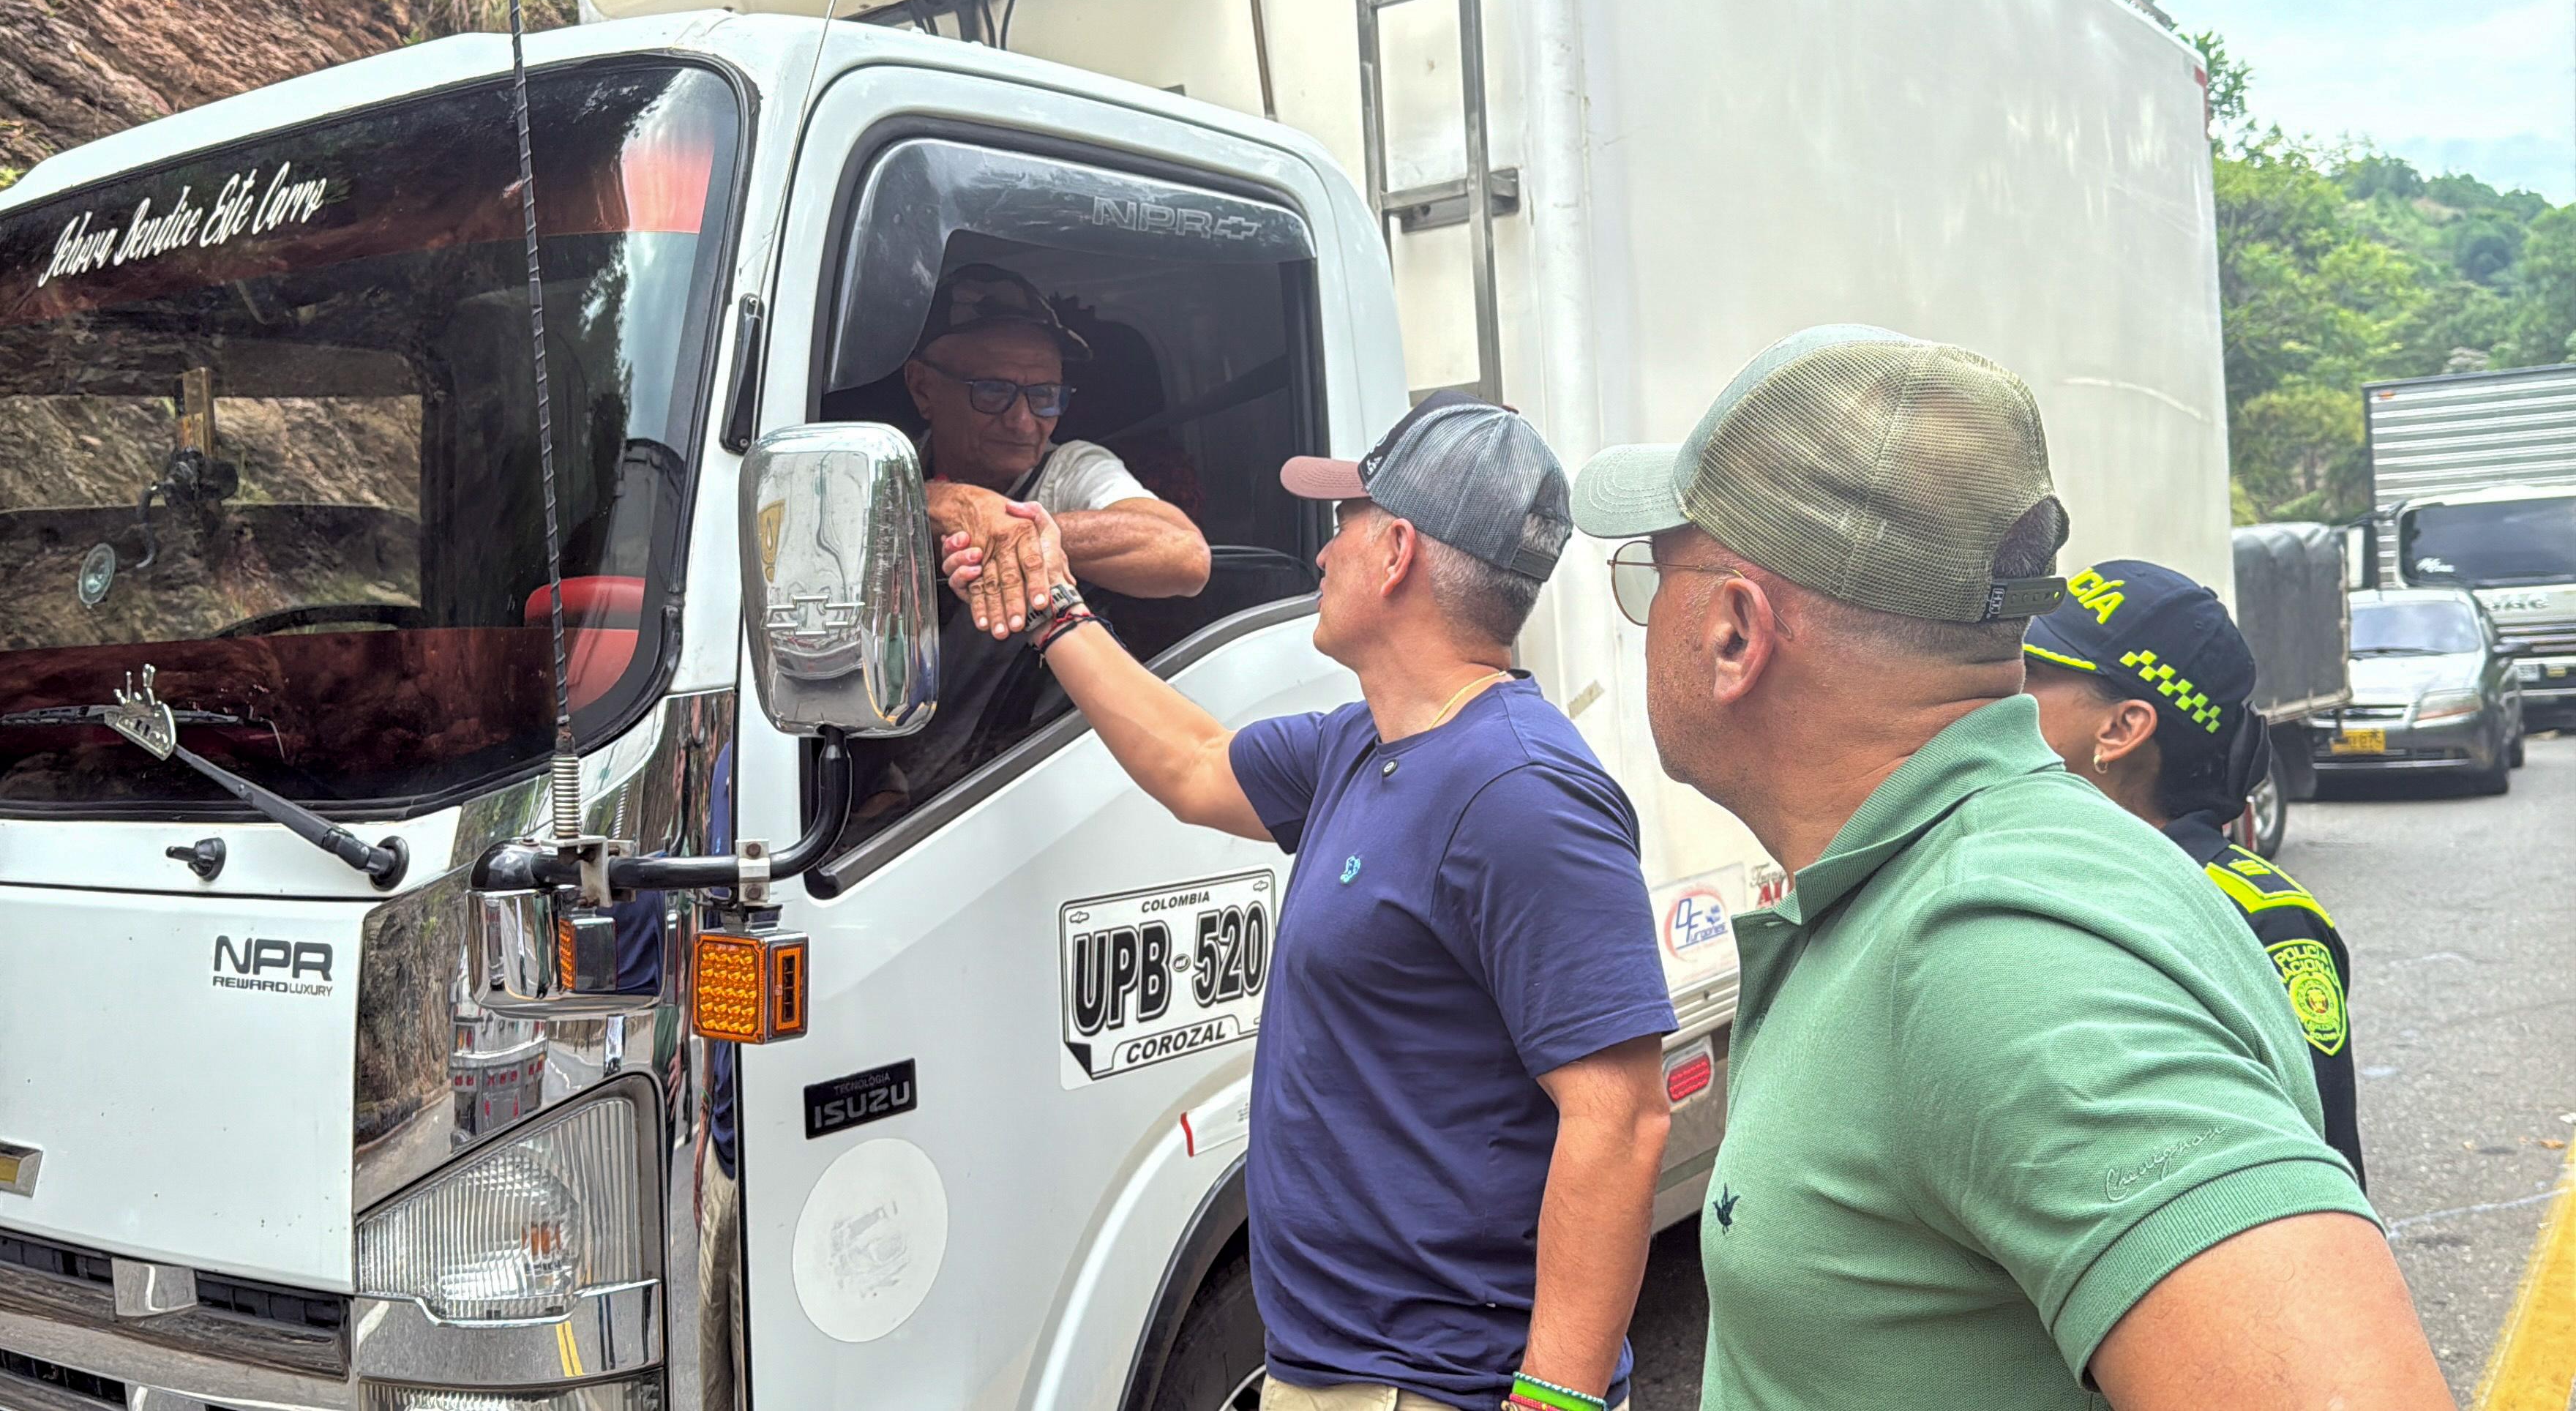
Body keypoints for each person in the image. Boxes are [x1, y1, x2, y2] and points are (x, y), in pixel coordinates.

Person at [1568, 325, 2448, 1411]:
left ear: (1737, 633)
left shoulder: (2000, 948)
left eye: (1659, 576)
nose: (1646, 621)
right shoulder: (1930, 888)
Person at [944, 393, 1677, 1411]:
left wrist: (1553, 1402)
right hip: (1335, 1369)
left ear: (1398, 554)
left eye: (1347, 523)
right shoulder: (1359, 749)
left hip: (1436, 1389)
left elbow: (1622, 1119)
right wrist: (1055, 605)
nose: (1324, 553)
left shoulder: (1521, 794)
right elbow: (1192, 761)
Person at [2023, 559, 2365, 1188]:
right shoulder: (2016, 867)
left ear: (2123, 727)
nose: (2002, 693)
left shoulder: (2264, 922)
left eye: (2034, 675)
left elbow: (2315, 1167)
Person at [872, 263, 1211, 815]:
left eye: (1046, 395)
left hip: (1007, 781)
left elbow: (1184, 553)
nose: (1026, 422)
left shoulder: (1071, 471)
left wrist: (1024, 531)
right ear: (923, 387)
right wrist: (953, 504)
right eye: (994, 392)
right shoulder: (887, 470)